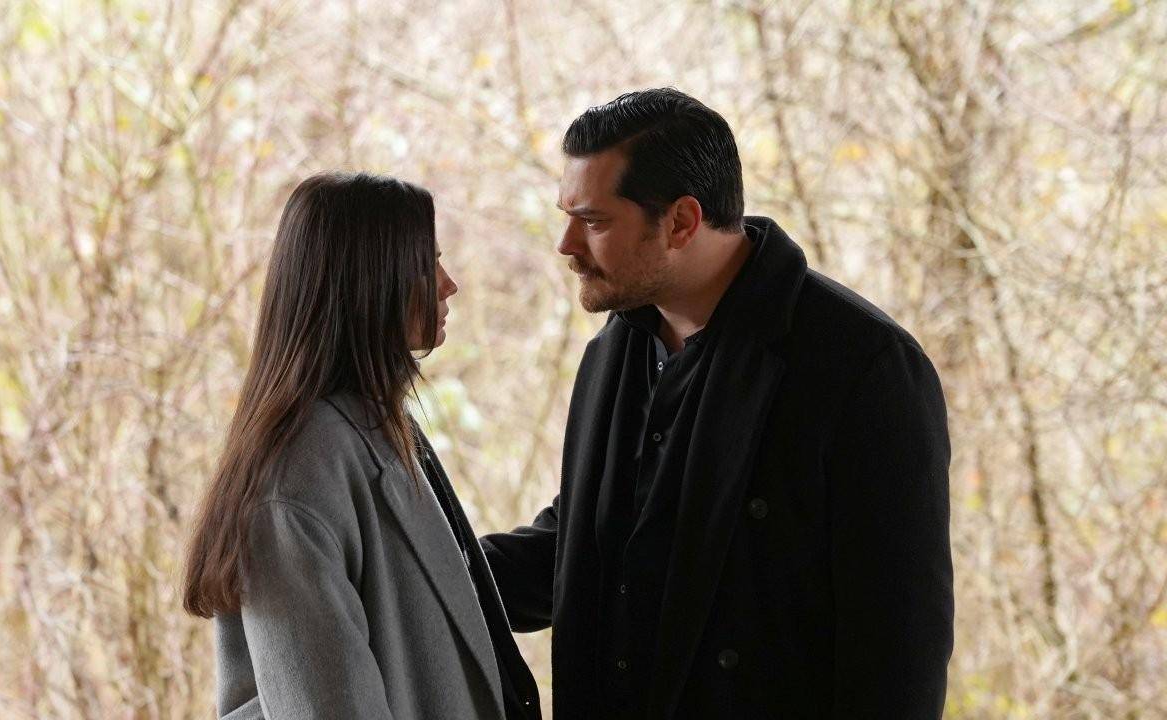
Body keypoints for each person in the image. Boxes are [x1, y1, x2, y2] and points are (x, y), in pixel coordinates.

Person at [481, 88, 954, 718]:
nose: (566, 244)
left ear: (681, 221)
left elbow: (899, 650)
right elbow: (589, 544)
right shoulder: (614, 350)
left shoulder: (863, 367)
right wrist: (418, 569)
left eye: (593, 221)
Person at [182, 172, 541, 720]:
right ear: (372, 282)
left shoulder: (373, 426)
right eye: (428, 263)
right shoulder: (298, 473)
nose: (449, 284)